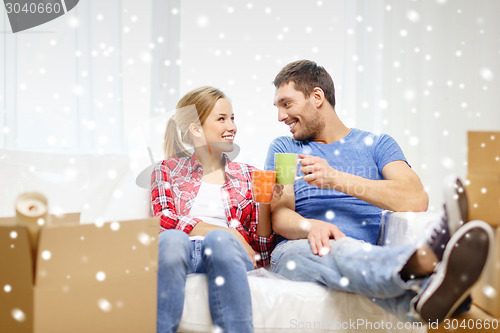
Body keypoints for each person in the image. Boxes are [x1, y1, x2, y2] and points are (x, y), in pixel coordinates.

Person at [264, 60, 493, 323]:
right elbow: (279, 216)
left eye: (286, 103)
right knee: (327, 251)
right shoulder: (284, 149)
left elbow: (416, 198)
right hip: (298, 249)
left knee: (351, 253)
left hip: (363, 252)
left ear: (317, 96)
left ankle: (425, 301)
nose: (280, 117)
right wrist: (309, 226)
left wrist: (335, 178)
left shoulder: (377, 145)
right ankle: (422, 259)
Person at [151, 86, 281, 333]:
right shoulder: (166, 169)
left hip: (226, 252)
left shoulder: (249, 174)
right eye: (221, 119)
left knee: (219, 240)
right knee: (172, 240)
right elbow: (162, 220)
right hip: (183, 250)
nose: (231, 126)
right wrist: (228, 233)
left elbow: (261, 255)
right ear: (196, 129)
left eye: (232, 118)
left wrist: (265, 205)